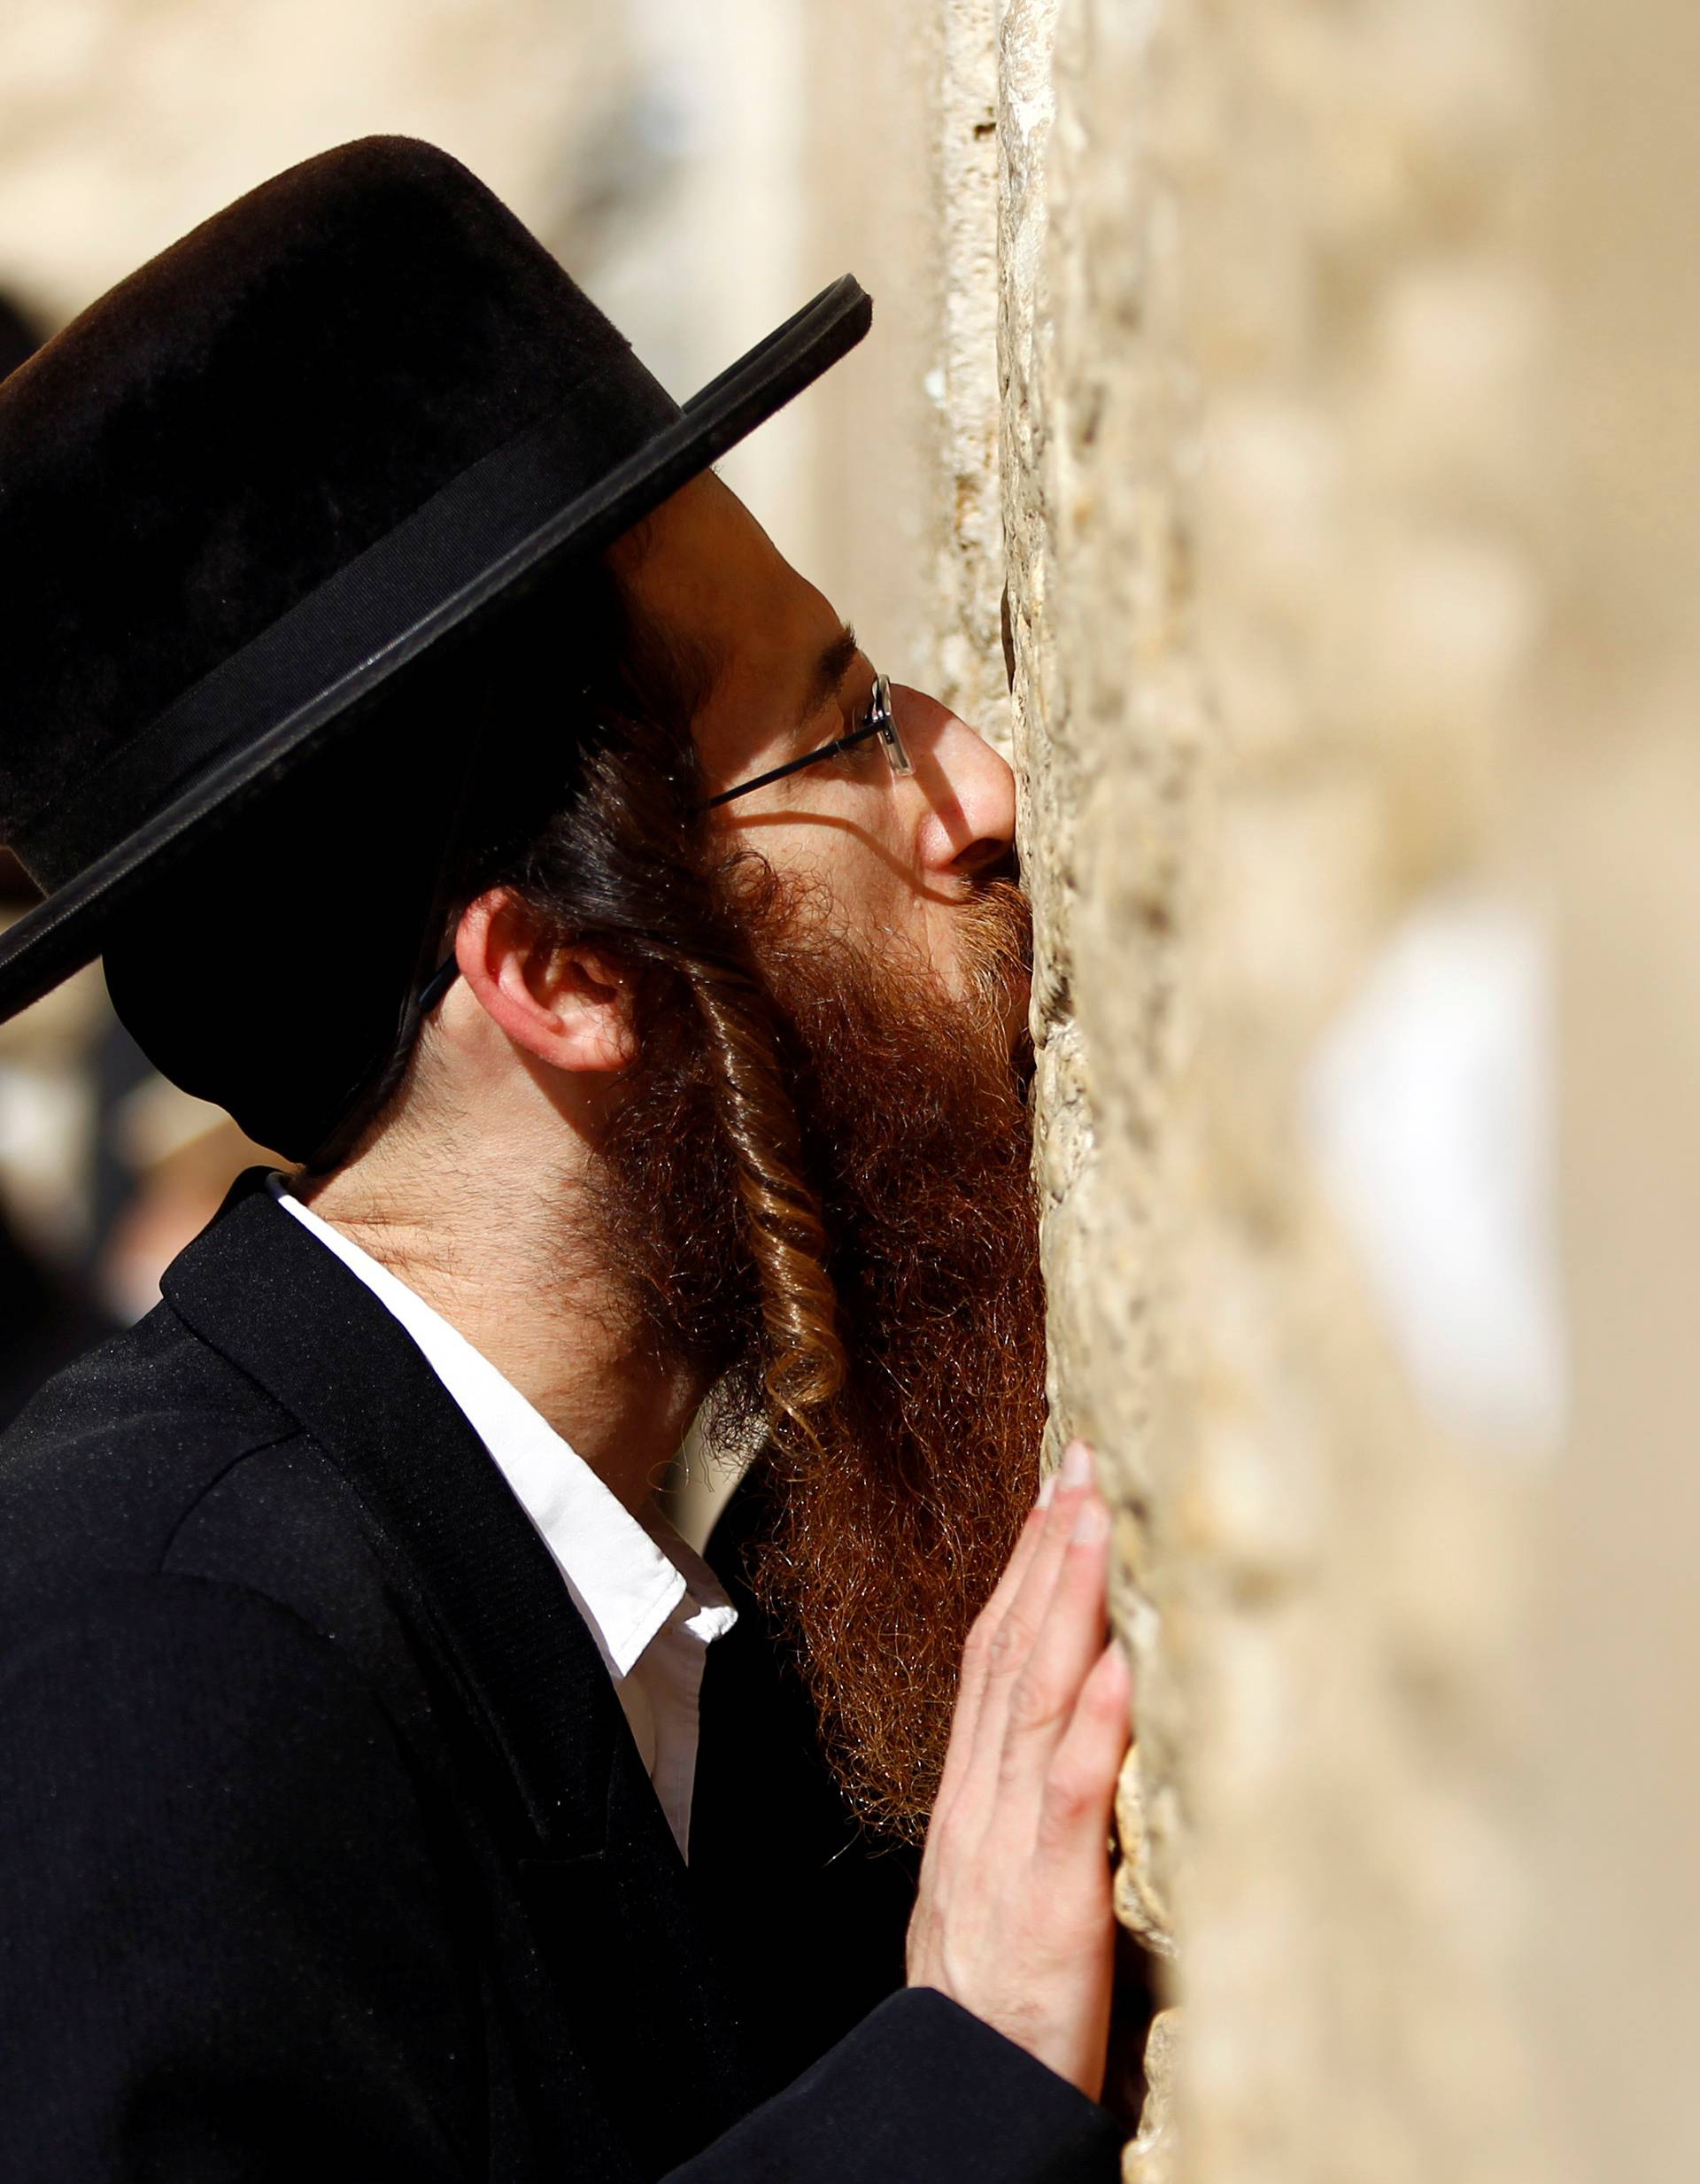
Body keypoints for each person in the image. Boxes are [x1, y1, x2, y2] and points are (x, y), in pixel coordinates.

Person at [0, 138, 1133, 2181]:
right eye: (844, 724)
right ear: (570, 975)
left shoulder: (675, 1626)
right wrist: (943, 2088)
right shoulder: (141, 1678)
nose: (982, 791)